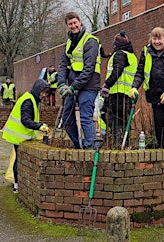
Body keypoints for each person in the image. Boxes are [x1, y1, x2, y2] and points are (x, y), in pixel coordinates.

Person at [128, 27, 164, 148]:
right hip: (155, 95)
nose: (157, 42)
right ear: (151, 39)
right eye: (154, 39)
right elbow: (140, 72)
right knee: (158, 124)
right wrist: (134, 87)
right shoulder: (146, 52)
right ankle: (161, 151)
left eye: (159, 38)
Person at [57, 12, 101, 149]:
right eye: (70, 24)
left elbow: (89, 69)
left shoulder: (90, 41)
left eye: (75, 23)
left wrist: (73, 86)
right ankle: (78, 146)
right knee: (67, 119)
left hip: (88, 85)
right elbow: (63, 65)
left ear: (80, 22)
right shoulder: (69, 43)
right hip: (73, 85)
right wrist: (62, 84)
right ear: (67, 26)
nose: (73, 26)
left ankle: (91, 149)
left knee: (85, 117)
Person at [2, 79, 51, 193]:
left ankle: (17, 185)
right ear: (38, 90)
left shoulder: (30, 99)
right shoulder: (28, 101)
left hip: (20, 135)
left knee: (18, 160)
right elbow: (26, 120)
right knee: (18, 161)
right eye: (43, 92)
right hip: (19, 135)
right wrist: (40, 126)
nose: (44, 95)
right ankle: (17, 186)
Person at [100, 30, 137, 148]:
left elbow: (117, 70)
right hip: (127, 94)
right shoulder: (131, 56)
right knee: (123, 120)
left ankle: (117, 144)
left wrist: (107, 85)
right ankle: (124, 144)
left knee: (114, 119)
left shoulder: (120, 54)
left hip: (118, 94)